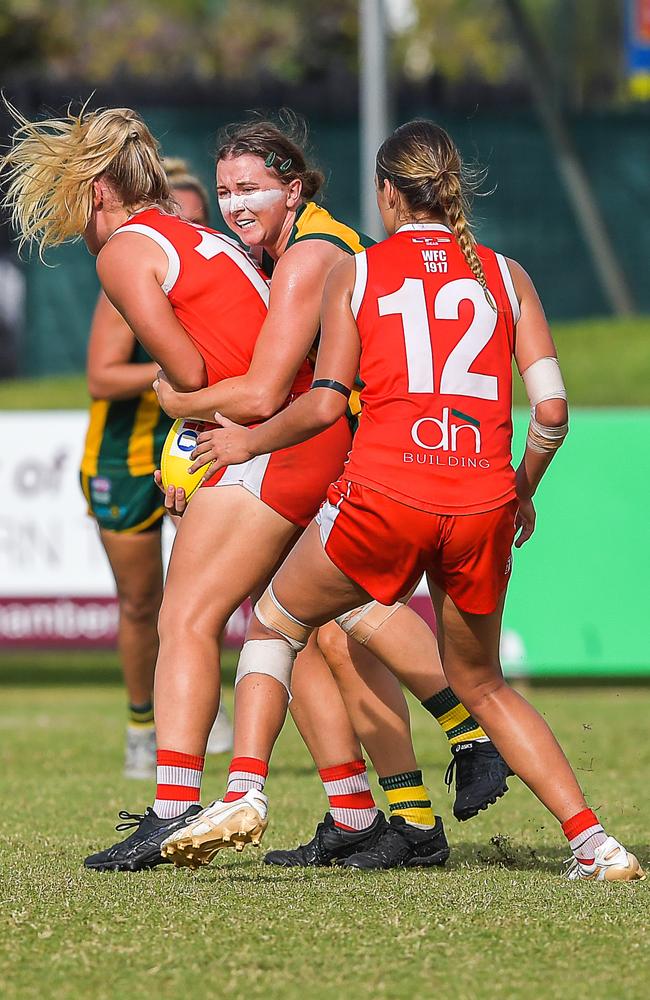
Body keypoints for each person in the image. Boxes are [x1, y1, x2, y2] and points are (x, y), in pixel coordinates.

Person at [163, 120, 644, 883]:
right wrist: (519, 492)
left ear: (387, 192)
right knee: (483, 683)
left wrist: (244, 444)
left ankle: (244, 791)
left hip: (387, 492)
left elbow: (325, 406)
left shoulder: (359, 271)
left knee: (278, 620)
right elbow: (551, 412)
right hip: (482, 497)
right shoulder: (506, 274)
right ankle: (596, 845)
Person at [79, 159, 232, 779]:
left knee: (203, 596)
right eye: (180, 217)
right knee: (142, 603)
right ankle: (142, 725)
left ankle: (197, 705)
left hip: (193, 451)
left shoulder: (209, 270)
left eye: (200, 219)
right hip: (124, 456)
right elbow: (100, 377)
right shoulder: (133, 275)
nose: (190, 230)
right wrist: (174, 373)